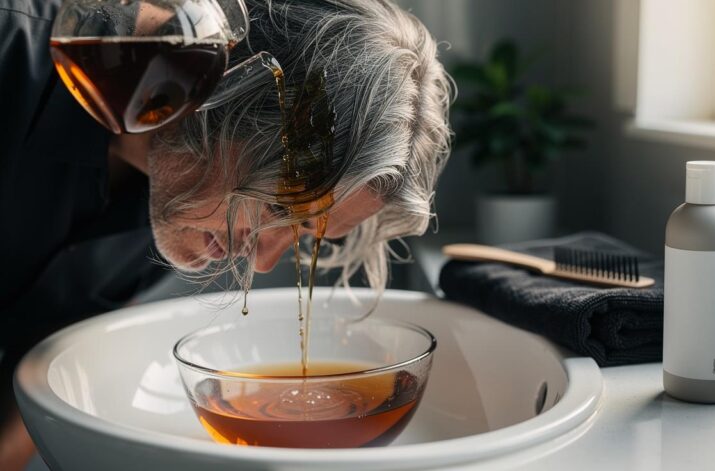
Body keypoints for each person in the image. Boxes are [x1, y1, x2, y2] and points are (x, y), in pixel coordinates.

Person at [0, 0, 452, 468]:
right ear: (231, 96)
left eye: (300, 235)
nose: (261, 261)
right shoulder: (11, 52)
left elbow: (44, 353)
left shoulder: (179, 198)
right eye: (279, 208)